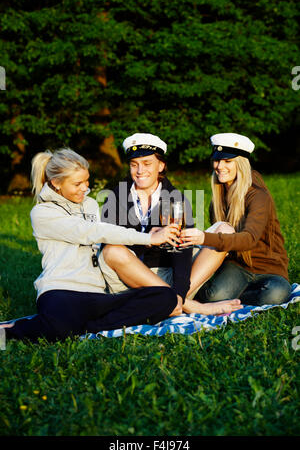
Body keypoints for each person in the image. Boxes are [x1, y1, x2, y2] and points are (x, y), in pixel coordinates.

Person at [0, 148, 183, 342]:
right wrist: (147, 238)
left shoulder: (89, 205)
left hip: (96, 294)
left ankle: (89, 328)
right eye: (77, 184)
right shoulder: (42, 213)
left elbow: (105, 241)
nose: (85, 188)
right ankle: (9, 332)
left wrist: (147, 237)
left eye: (87, 181)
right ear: (56, 183)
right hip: (61, 291)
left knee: (166, 297)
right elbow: (92, 232)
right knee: (58, 330)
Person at [100, 133, 242, 315]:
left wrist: (180, 291)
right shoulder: (116, 197)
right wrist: (149, 239)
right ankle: (190, 306)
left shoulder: (175, 199)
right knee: (112, 250)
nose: (140, 170)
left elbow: (181, 251)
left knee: (225, 230)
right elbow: (110, 243)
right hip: (130, 277)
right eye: (134, 164)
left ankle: (175, 302)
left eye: (147, 163)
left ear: (161, 165)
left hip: (169, 275)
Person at [180, 133, 291, 312]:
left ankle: (232, 298)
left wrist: (203, 237)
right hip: (237, 266)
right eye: (217, 161)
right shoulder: (218, 196)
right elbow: (221, 244)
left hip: (268, 267)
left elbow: (249, 239)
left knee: (274, 294)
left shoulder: (257, 195)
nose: (219, 166)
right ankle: (221, 298)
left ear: (240, 163)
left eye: (227, 161)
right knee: (212, 296)